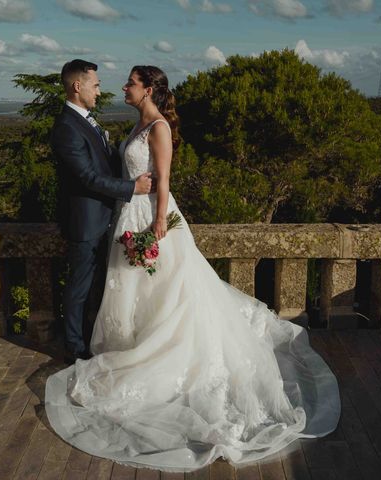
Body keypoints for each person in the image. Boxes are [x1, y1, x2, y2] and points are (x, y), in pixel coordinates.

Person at [45, 65, 340, 472]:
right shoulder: (135, 123)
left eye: (130, 82)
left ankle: (162, 357)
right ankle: (131, 346)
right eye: (112, 82)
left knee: (165, 293)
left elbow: (163, 181)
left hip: (149, 218)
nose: (120, 87)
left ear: (148, 88)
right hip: (126, 215)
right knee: (134, 292)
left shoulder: (159, 127)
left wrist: (159, 224)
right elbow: (105, 172)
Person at [52, 59, 153, 363]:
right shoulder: (66, 127)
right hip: (85, 222)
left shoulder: (85, 119)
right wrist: (131, 189)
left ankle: (91, 338)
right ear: (77, 86)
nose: (99, 90)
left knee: (97, 285)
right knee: (80, 286)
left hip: (105, 217)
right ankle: (74, 346)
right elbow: (87, 177)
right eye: (95, 85)